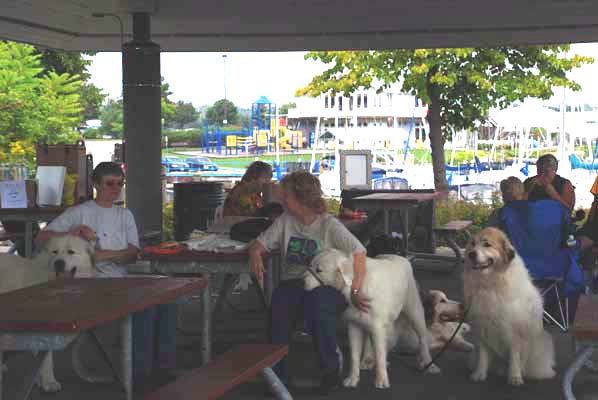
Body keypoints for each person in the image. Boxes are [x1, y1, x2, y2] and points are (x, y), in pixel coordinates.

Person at [35, 161, 177, 388]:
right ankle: (139, 375)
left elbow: (132, 253)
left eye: (120, 184)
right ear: (96, 185)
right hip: (88, 284)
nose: (115, 188)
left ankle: (164, 367)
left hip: (118, 278)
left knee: (167, 297)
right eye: (110, 183)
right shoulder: (79, 212)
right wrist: (71, 232)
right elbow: (40, 239)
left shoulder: (124, 215)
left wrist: (100, 255)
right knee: (144, 307)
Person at [249, 170, 369, 395]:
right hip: (294, 283)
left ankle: (330, 368)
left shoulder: (329, 225)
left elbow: (359, 253)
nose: (282, 199)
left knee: (318, 305)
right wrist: (256, 253)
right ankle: (278, 375)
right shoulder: (285, 221)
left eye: (287, 196)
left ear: (301, 198)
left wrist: (355, 288)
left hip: (326, 284)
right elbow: (260, 243)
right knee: (279, 306)